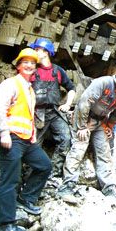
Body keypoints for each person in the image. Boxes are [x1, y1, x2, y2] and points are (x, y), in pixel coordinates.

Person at [0, 48, 52, 231]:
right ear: (18, 65)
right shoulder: (10, 84)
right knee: (10, 180)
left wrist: (33, 134)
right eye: (25, 62)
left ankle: (26, 198)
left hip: (26, 140)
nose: (29, 66)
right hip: (10, 138)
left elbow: (27, 115)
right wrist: (3, 133)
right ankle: (5, 225)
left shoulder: (28, 88)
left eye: (32, 63)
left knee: (44, 165)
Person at [58, 64, 116, 199]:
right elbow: (84, 103)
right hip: (84, 117)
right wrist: (82, 126)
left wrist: (110, 126)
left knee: (104, 151)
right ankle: (67, 186)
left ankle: (108, 188)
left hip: (100, 122)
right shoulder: (104, 82)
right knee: (79, 147)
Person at [29, 37, 76, 177]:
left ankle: (54, 172)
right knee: (34, 145)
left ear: (46, 52)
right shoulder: (33, 71)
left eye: (37, 49)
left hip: (54, 112)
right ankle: (33, 175)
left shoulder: (57, 71)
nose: (35, 52)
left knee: (65, 138)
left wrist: (67, 104)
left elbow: (71, 88)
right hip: (37, 113)